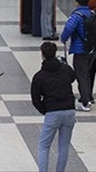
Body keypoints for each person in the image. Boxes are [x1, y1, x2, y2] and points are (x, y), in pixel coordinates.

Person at [31, 41, 77, 172]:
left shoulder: (39, 76)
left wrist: (45, 110)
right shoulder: (65, 69)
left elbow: (35, 99)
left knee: (44, 145)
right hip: (69, 110)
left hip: (52, 111)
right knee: (64, 146)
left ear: (42, 55)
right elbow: (73, 77)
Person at [59, 0, 95, 111]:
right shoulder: (92, 13)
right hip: (93, 48)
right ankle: (88, 96)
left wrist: (63, 38)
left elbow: (69, 28)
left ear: (76, 2)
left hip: (80, 49)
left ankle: (86, 101)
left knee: (81, 75)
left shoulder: (77, 15)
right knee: (87, 74)